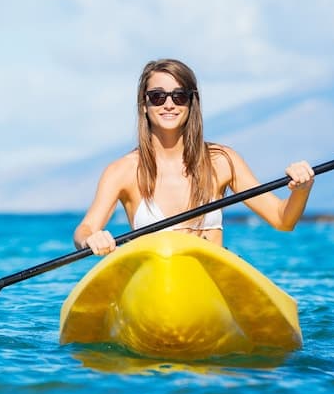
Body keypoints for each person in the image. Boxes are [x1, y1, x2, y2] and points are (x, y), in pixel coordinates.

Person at [74, 59, 315, 255]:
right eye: (157, 96)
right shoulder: (123, 171)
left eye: (179, 96)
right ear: (144, 105)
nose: (169, 104)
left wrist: (302, 190)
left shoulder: (221, 161)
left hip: (210, 279)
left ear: (191, 103)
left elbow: (282, 220)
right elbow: (85, 229)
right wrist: (91, 239)